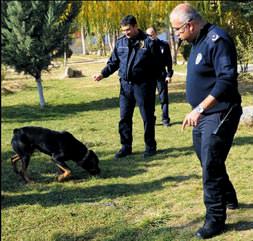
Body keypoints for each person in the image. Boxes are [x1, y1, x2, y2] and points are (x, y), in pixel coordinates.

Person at [170, 3, 242, 239]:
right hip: (201, 114)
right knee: (206, 158)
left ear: (190, 25)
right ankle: (228, 195)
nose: (177, 35)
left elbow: (227, 79)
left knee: (210, 162)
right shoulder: (196, 41)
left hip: (221, 111)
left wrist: (200, 108)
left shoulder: (217, 39)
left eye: (178, 30)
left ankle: (215, 219)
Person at [93, 15, 161, 158]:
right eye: (124, 30)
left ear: (136, 26)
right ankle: (126, 146)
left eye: (128, 29)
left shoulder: (148, 42)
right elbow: (113, 63)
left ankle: (150, 146)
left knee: (147, 117)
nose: (126, 33)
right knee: (124, 117)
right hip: (125, 86)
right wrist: (102, 74)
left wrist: (153, 83)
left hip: (143, 86)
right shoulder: (121, 43)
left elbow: (157, 66)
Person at [146, 27, 173, 127]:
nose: (150, 36)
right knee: (150, 99)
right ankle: (150, 120)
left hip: (161, 76)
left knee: (164, 99)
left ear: (156, 33)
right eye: (148, 35)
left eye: (152, 33)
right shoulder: (144, 46)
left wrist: (169, 74)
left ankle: (165, 119)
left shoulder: (164, 45)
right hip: (149, 77)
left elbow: (169, 61)